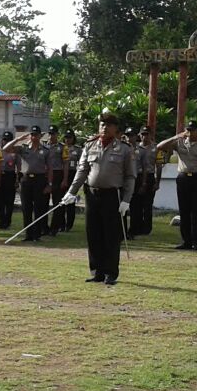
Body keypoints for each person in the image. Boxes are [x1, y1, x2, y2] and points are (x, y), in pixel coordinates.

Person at [62, 113, 136, 285]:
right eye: (102, 124)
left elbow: (130, 176)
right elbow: (82, 171)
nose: (104, 127)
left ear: (116, 128)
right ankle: (97, 271)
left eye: (109, 125)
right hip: (92, 194)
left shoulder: (124, 149)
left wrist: (126, 200)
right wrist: (71, 192)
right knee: (93, 233)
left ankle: (111, 273)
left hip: (113, 195)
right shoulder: (89, 146)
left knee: (111, 235)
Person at [156, 120, 197, 250]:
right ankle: (186, 241)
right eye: (188, 130)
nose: (189, 133)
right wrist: (176, 136)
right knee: (184, 210)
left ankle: (196, 241)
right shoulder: (180, 142)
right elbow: (160, 146)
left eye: (192, 130)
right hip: (183, 178)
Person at [4, 126, 52, 242]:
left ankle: (37, 234)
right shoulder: (23, 148)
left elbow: (50, 169)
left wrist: (49, 184)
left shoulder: (45, 150)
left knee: (38, 208)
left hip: (40, 180)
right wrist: (18, 139)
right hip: (26, 180)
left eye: (36, 134)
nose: (34, 137)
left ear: (40, 136)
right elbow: (5, 149)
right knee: (26, 208)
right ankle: (28, 235)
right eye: (32, 134)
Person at [132, 128, 157, 236]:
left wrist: (158, 182)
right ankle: (137, 227)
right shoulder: (136, 147)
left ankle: (147, 228)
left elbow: (159, 165)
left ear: (150, 135)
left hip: (150, 176)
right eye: (143, 134)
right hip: (137, 176)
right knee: (136, 204)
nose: (144, 136)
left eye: (147, 134)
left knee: (147, 205)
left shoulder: (156, 148)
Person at [46, 125, 69, 235]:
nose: (51, 136)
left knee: (57, 203)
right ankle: (43, 227)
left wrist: (65, 179)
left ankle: (54, 228)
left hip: (58, 174)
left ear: (57, 135)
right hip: (45, 175)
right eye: (50, 133)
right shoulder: (44, 146)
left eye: (53, 134)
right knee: (43, 203)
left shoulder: (62, 147)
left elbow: (65, 164)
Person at [0, 130, 19, 230]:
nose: (5, 141)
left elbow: (18, 167)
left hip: (10, 176)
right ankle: (1, 222)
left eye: (8, 140)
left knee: (9, 202)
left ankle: (7, 222)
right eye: (4, 139)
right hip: (0, 176)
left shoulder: (15, 153)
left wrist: (17, 179)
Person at [62, 129, 80, 231]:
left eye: (69, 137)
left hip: (72, 174)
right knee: (61, 199)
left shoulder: (77, 149)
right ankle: (61, 223)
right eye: (66, 137)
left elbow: (81, 163)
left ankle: (69, 224)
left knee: (71, 199)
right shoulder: (61, 148)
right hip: (62, 174)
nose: (67, 139)